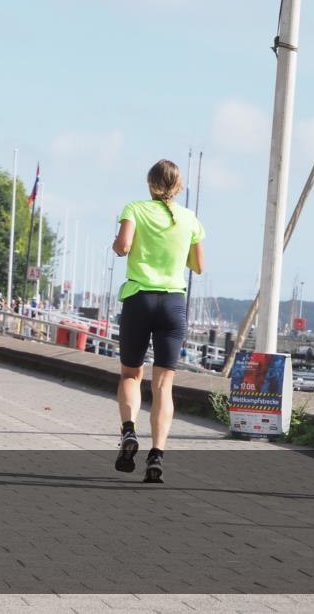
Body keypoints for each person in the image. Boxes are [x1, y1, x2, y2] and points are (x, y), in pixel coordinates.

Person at [111, 159, 205, 483]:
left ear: (150, 184)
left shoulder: (134, 209)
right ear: (178, 187)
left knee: (130, 373)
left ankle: (128, 432)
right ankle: (157, 456)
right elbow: (198, 265)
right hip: (173, 303)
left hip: (139, 298)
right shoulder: (190, 218)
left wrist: (120, 245)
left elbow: (123, 247)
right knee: (164, 384)